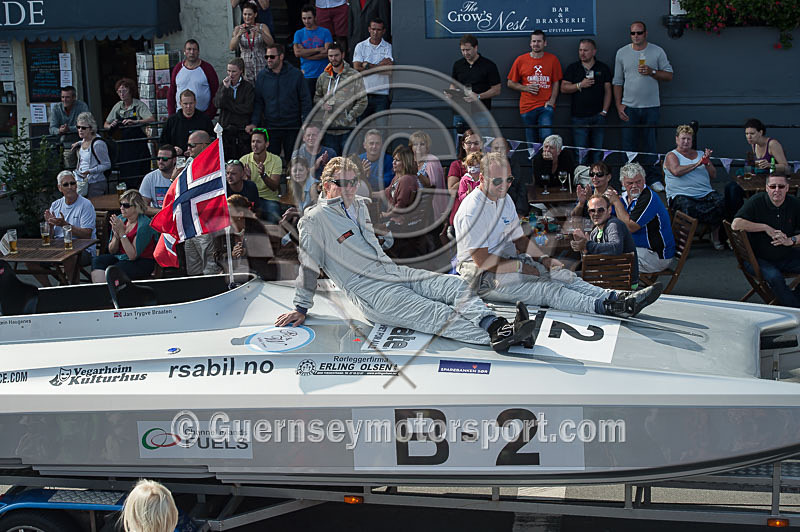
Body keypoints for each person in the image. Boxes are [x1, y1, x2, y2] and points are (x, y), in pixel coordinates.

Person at [275, 157, 538, 352]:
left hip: (393, 271)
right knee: (434, 313)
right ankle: (502, 337)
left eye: (353, 182)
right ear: (326, 184)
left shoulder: (359, 206)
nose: (349, 188)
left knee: (451, 284)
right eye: (340, 183)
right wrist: (300, 307)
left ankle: (494, 324)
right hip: (370, 291)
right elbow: (309, 265)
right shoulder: (314, 219)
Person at [454, 152, 660, 318]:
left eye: (508, 180)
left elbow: (518, 239)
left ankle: (618, 297)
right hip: (482, 277)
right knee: (548, 290)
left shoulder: (503, 198)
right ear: (481, 178)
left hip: (508, 260)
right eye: (497, 180)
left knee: (564, 276)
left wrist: (544, 259)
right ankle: (607, 307)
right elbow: (481, 260)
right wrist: (521, 267)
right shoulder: (473, 209)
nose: (504, 185)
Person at [613, 21, 673, 185]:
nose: (636, 36)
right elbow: (617, 81)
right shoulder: (622, 53)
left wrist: (652, 72)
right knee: (628, 146)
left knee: (650, 144)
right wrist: (618, 105)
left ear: (645, 33)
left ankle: (653, 178)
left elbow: (669, 75)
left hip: (651, 106)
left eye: (639, 33)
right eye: (633, 33)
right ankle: (627, 181)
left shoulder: (657, 51)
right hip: (629, 107)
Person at [733, 173, 800, 307]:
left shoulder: (794, 203)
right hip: (757, 259)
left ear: (787, 188)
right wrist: (765, 227)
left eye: (781, 186)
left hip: (785, 255)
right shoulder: (756, 201)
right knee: (775, 278)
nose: (777, 190)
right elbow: (736, 224)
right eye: (773, 186)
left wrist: (790, 240)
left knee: (781, 285)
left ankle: (792, 300)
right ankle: (795, 309)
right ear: (766, 188)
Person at [663, 124, 725, 250]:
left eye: (689, 139)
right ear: (677, 139)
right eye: (683, 138)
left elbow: (713, 174)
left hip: (704, 193)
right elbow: (676, 171)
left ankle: (716, 236)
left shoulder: (700, 154)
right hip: (681, 195)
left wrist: (706, 162)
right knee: (686, 205)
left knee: (720, 201)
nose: (686, 142)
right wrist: (697, 164)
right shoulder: (671, 155)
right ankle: (682, 242)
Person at [607, 162, 676, 275]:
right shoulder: (625, 197)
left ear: (644, 180)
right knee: (603, 251)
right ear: (623, 183)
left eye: (638, 182)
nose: (634, 186)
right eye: (630, 183)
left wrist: (615, 201)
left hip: (655, 256)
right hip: (640, 249)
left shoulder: (648, 198)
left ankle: (622, 290)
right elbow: (609, 215)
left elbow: (630, 227)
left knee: (609, 260)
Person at [248, 43, 312, 159]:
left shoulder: (296, 75)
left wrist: (306, 122)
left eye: (272, 57)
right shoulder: (262, 76)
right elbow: (258, 102)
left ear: (281, 56)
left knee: (293, 160)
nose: (268, 60)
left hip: (292, 125)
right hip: (271, 126)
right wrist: (254, 122)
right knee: (271, 160)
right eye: (266, 57)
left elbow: (305, 100)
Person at [726, 118, 792, 221]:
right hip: (756, 182)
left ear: (760, 132)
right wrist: (747, 173)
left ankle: (738, 219)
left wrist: (770, 165)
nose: (749, 137)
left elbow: (786, 168)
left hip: (770, 184)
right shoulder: (754, 144)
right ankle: (730, 222)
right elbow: (752, 165)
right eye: (746, 134)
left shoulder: (772, 144)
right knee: (729, 187)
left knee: (734, 190)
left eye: (752, 133)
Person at [571, 194, 639, 287]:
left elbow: (616, 248)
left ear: (609, 210)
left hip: (623, 282)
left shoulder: (614, 225)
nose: (596, 213)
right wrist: (584, 250)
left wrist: (587, 245)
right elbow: (593, 263)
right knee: (565, 276)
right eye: (592, 211)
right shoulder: (594, 232)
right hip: (606, 277)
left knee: (568, 279)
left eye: (600, 210)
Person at [507, 30, 562, 145]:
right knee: (531, 141)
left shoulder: (553, 59)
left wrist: (552, 101)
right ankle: (534, 162)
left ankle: (547, 162)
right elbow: (510, 83)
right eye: (534, 41)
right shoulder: (520, 60)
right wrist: (525, 88)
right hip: (527, 107)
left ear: (545, 43)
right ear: (530, 43)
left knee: (547, 137)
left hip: (545, 106)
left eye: (539, 41)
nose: (536, 44)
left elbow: (556, 82)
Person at [560, 39, 612, 160]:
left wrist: (604, 111)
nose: (582, 53)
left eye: (586, 50)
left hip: (598, 116)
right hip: (579, 117)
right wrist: (579, 85)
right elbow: (563, 88)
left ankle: (598, 178)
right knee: (580, 153)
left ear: (594, 52)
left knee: (597, 152)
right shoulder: (573, 68)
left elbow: (608, 91)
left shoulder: (602, 68)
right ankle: (581, 178)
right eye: (580, 50)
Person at [90, 189, 157, 282]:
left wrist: (121, 233)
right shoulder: (121, 219)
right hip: (121, 257)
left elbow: (132, 256)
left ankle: (111, 292)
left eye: (126, 205)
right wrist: (116, 236)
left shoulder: (144, 225)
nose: (122, 208)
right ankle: (102, 290)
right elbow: (112, 250)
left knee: (115, 269)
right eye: (121, 204)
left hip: (142, 261)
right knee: (98, 261)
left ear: (137, 207)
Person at [314, 43, 367, 156]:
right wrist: (322, 105)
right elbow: (317, 97)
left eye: (336, 55)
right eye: (330, 56)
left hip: (348, 128)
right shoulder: (323, 77)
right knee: (331, 165)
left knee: (349, 163)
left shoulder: (354, 75)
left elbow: (362, 101)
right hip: (329, 128)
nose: (333, 58)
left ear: (342, 55)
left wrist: (349, 116)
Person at [383, 145, 435, 258]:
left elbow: (400, 207)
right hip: (412, 222)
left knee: (373, 229)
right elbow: (385, 192)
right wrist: (368, 194)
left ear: (405, 162)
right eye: (393, 160)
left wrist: (385, 215)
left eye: (397, 160)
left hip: (402, 224)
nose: (393, 163)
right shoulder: (399, 178)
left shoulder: (406, 180)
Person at [104, 78, 155, 183]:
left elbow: (151, 119)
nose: (121, 94)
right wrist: (111, 125)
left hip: (138, 145)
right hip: (125, 146)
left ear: (130, 91)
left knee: (141, 171)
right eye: (119, 91)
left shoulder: (138, 105)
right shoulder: (118, 106)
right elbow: (105, 124)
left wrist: (136, 122)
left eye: (124, 91)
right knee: (126, 172)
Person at [448, 34, 501, 133]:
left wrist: (479, 96)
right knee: (459, 144)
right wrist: (451, 93)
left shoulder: (489, 65)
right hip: (460, 111)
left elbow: (497, 90)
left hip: (481, 111)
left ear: (476, 47)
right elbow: (453, 84)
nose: (465, 53)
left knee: (483, 142)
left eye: (468, 50)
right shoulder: (458, 64)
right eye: (463, 50)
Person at [214, 193, 275, 278]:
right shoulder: (223, 230)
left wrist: (246, 252)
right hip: (232, 273)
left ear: (240, 214)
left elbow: (267, 254)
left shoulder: (256, 227)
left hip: (255, 274)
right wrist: (231, 255)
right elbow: (217, 258)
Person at [44, 170, 97, 261]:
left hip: (83, 249)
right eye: (66, 184)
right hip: (59, 247)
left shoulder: (86, 204)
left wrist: (64, 225)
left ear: (76, 185)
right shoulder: (55, 205)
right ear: (59, 188)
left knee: (68, 257)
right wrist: (50, 226)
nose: (70, 187)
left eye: (72, 183)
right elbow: (50, 238)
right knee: (30, 260)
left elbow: (87, 235)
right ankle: (60, 276)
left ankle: (67, 276)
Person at [352, 17, 393, 122]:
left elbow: (389, 71)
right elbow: (356, 68)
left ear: (383, 31)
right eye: (373, 29)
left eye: (378, 30)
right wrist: (380, 66)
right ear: (369, 29)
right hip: (363, 95)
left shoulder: (388, 47)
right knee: (361, 130)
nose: (375, 32)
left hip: (382, 95)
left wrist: (367, 65)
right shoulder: (360, 46)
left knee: (382, 129)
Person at [214, 58, 255, 160]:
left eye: (234, 71)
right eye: (228, 71)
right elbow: (217, 103)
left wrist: (228, 104)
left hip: (241, 129)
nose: (230, 74)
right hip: (226, 128)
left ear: (241, 71)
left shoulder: (248, 87)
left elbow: (247, 108)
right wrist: (225, 89)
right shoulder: (223, 85)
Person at [167, 39, 219, 119]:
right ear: (184, 51)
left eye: (194, 49)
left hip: (202, 116)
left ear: (198, 52)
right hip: (180, 117)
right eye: (189, 49)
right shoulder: (177, 68)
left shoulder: (207, 68)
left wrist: (209, 114)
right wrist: (171, 115)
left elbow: (216, 93)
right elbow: (171, 93)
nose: (191, 52)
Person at [240, 128, 282, 223]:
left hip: (269, 199)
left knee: (274, 213)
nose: (255, 145)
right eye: (253, 141)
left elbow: (274, 187)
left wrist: (263, 175)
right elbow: (242, 189)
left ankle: (273, 237)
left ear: (266, 144)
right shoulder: (244, 160)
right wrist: (248, 179)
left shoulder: (276, 160)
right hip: (251, 200)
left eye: (258, 142)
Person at [293, 4, 333, 97]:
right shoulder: (298, 33)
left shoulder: (325, 32)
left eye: (309, 18)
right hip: (307, 75)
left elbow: (327, 53)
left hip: (324, 74)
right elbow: (297, 53)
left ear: (315, 17)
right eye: (304, 18)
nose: (306, 21)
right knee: (308, 103)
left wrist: (305, 54)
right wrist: (318, 49)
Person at [230, 1, 274, 84]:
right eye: (245, 14)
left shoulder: (262, 26)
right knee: (248, 91)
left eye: (249, 14)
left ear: (255, 14)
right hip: (246, 65)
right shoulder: (238, 29)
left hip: (261, 62)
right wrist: (238, 35)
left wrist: (262, 33)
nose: (247, 17)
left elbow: (271, 44)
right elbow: (232, 47)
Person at [410, 130, 448, 225]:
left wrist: (417, 174)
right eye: (415, 144)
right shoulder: (409, 160)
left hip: (427, 206)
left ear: (427, 147)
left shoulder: (432, 160)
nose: (418, 147)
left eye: (422, 144)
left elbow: (432, 185)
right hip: (409, 201)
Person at [159, 90, 214, 156]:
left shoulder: (205, 120)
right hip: (178, 158)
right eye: (185, 104)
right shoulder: (172, 121)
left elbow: (212, 140)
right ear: (180, 103)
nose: (188, 106)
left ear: (195, 102)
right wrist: (173, 149)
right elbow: (163, 143)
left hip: (199, 157)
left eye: (191, 103)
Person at [70, 112, 110, 198]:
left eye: (83, 128)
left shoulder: (98, 144)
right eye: (78, 127)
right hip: (83, 182)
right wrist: (79, 143)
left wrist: (90, 171)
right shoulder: (84, 140)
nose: (80, 130)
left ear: (91, 129)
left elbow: (107, 165)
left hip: (95, 183)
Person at [490, 137, 528, 219]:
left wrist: (520, 212)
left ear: (508, 150)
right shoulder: (485, 166)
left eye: (503, 148)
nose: (499, 151)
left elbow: (521, 190)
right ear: (491, 150)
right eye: (496, 148)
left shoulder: (515, 166)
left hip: (513, 209)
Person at [49, 86, 89, 160]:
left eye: (67, 97)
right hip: (66, 144)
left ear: (74, 98)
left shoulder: (82, 106)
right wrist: (60, 130)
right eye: (62, 97)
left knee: (85, 161)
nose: (64, 100)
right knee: (69, 163)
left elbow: (86, 125)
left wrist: (69, 129)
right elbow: (52, 128)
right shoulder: (56, 108)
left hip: (83, 142)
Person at [140, 145, 177, 216]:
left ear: (174, 160)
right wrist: (164, 212)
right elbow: (143, 207)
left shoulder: (182, 176)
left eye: (165, 159)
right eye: (158, 158)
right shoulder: (150, 178)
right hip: (158, 219)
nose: (160, 161)